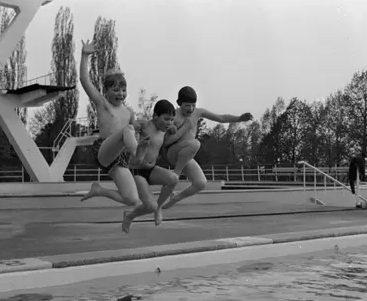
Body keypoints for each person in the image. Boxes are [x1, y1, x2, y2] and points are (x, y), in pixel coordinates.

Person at [79, 39, 150, 208]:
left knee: (132, 200)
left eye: (124, 90)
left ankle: (99, 190)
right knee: (128, 129)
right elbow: (84, 80)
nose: (121, 94)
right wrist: (84, 56)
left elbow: (134, 134)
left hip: (119, 160)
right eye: (116, 90)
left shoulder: (129, 112)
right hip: (104, 151)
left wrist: (143, 131)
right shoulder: (102, 103)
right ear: (106, 91)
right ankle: (137, 153)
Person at [161, 86, 254, 209]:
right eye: (187, 106)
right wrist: (178, 129)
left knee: (200, 183)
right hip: (173, 153)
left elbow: (221, 118)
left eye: (193, 105)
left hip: (187, 154)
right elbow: (165, 141)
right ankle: (175, 176)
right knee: (195, 143)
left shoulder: (198, 112)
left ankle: (175, 197)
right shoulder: (173, 115)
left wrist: (239, 119)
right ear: (179, 103)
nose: (191, 109)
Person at [120, 100, 180, 233]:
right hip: (137, 171)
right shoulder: (145, 125)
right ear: (155, 116)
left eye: (171, 120)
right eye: (166, 119)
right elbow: (127, 129)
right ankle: (129, 216)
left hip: (151, 170)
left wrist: (173, 127)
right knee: (150, 206)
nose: (169, 123)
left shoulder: (166, 129)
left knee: (173, 179)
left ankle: (159, 208)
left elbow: (173, 128)